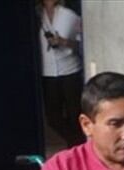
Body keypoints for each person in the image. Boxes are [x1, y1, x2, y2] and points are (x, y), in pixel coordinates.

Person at [38, 0, 86, 147]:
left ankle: (77, 147)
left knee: (75, 114)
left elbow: (84, 42)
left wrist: (64, 42)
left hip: (70, 69)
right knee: (53, 118)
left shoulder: (69, 15)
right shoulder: (36, 15)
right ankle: (75, 142)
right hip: (47, 72)